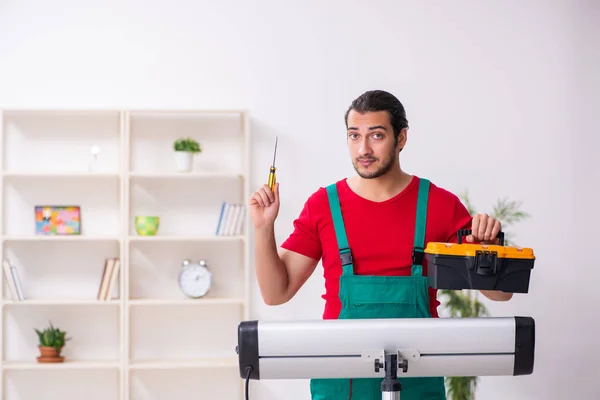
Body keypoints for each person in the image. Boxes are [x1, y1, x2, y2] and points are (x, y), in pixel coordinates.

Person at [248, 90, 512, 400]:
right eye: (354, 135)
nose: (363, 149)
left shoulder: (439, 205)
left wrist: (489, 247)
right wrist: (264, 228)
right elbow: (275, 293)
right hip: (340, 381)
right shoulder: (323, 206)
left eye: (376, 135)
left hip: (418, 379)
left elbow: (500, 293)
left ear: (401, 138)